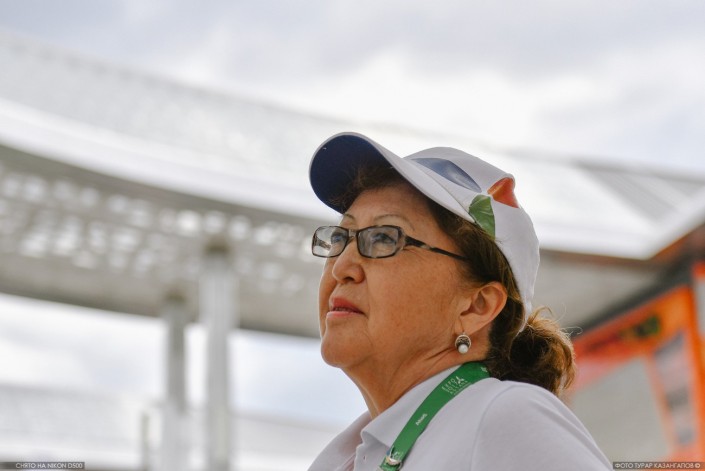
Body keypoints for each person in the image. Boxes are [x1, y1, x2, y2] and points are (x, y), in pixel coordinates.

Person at [306, 132, 611, 471]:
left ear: (476, 306)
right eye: (340, 237)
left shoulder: (505, 416)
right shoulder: (340, 460)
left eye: (384, 238)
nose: (342, 267)